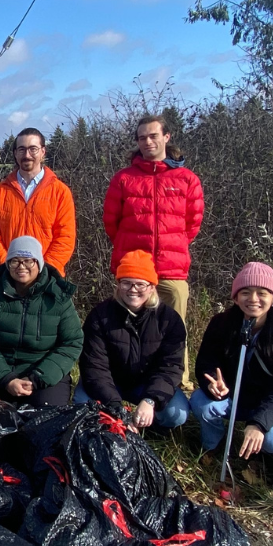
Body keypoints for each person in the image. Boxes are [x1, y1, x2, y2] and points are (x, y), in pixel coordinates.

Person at [102, 114, 204, 385]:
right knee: (124, 326)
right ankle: (123, 381)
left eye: (153, 136)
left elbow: (192, 224)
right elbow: (111, 222)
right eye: (142, 137)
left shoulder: (186, 179)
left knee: (175, 327)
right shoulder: (124, 179)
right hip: (134, 270)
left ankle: (178, 384)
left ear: (166, 137)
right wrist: (131, 256)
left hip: (172, 267)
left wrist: (174, 246)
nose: (148, 141)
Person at [191, 262, 273, 466]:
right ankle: (213, 448)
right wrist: (212, 383)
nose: (253, 299)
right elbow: (206, 362)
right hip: (231, 398)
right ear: (235, 297)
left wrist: (259, 423)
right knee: (200, 401)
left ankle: (261, 459)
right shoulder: (220, 324)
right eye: (246, 292)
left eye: (262, 293)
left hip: (266, 405)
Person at [74, 250, 189, 430]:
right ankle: (113, 427)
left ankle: (146, 427)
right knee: (82, 403)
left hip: (147, 384)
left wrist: (150, 400)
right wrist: (116, 408)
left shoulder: (169, 319)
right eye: (126, 283)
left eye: (140, 284)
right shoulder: (99, 316)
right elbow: (94, 367)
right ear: (118, 285)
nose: (133, 290)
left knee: (176, 414)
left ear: (152, 287)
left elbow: (170, 367)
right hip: (109, 382)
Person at [0, 235, 83, 408]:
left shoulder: (58, 297)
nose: (21, 266)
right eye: (15, 261)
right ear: (8, 264)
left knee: (45, 425)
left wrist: (37, 379)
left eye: (28, 261)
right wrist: (6, 379)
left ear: (38, 263)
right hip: (2, 373)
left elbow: (72, 342)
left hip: (45, 376)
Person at [0, 128, 76, 276]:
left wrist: (44, 271)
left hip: (48, 280)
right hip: (9, 277)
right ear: (15, 153)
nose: (27, 155)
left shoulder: (60, 192)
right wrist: (8, 266)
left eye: (33, 149)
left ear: (43, 151)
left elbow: (65, 237)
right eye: (22, 149)